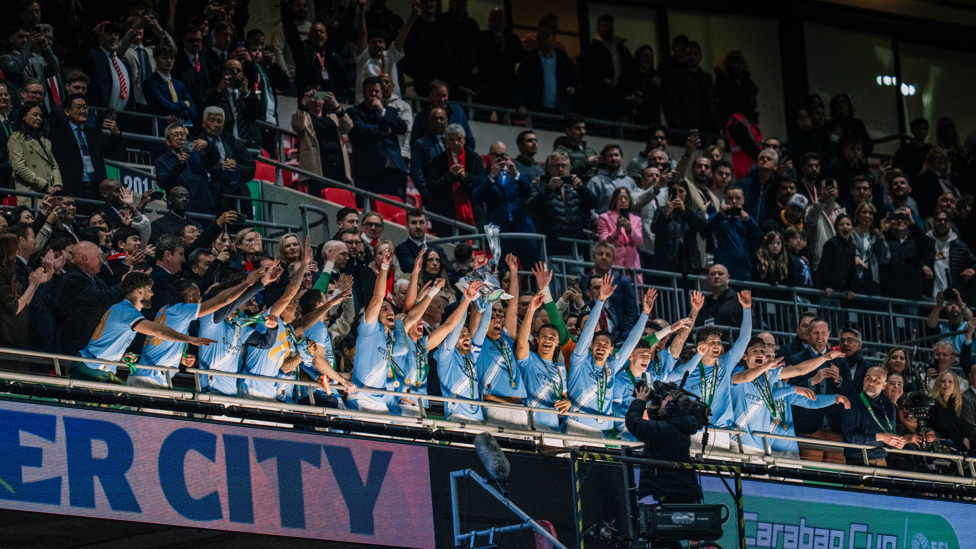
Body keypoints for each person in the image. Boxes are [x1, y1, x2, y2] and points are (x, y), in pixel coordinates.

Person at [567, 281, 681, 438]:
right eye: (597, 343)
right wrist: (600, 301)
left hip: (601, 432)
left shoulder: (612, 366)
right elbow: (587, 331)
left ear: (611, 350)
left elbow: (633, 342)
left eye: (605, 344)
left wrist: (645, 314)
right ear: (591, 346)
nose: (601, 346)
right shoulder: (579, 361)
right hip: (577, 425)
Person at [128, 266, 270, 388]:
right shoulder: (182, 311)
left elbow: (165, 342)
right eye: (198, 295)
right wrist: (248, 283)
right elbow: (222, 301)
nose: (201, 299)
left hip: (147, 375)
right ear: (189, 295)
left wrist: (179, 358)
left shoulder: (166, 310)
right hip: (151, 379)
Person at [69, 272, 216, 383]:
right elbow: (156, 330)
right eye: (149, 289)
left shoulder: (120, 308)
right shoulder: (127, 311)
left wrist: (119, 356)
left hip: (94, 365)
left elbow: (105, 341)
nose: (152, 293)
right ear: (139, 291)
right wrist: (190, 339)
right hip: (92, 367)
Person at [731, 336, 850, 456]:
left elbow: (800, 370)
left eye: (764, 353)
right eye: (756, 352)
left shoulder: (774, 380)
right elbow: (767, 394)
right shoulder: (738, 372)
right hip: (742, 441)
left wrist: (824, 358)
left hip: (767, 446)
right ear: (744, 355)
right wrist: (792, 389)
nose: (770, 359)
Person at [667, 291, 752, 451]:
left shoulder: (725, 364)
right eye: (712, 342)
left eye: (719, 342)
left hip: (720, 432)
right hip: (691, 429)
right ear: (701, 344)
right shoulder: (689, 367)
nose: (717, 345)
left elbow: (744, 340)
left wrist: (747, 310)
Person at [787, 317, 856, 464]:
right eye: (816, 332)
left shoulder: (840, 360)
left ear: (829, 333)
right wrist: (812, 381)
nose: (820, 337)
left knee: (837, 480)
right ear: (809, 333)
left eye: (823, 332)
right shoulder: (796, 359)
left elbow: (851, 393)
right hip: (808, 429)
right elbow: (790, 389)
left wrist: (839, 380)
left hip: (835, 429)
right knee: (811, 478)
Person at [627, 383, 703, 503]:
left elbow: (633, 422)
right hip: (677, 493)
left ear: (671, 408)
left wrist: (640, 401)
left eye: (664, 402)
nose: (661, 402)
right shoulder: (680, 426)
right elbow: (662, 425)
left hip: (667, 495)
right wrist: (653, 411)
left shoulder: (665, 430)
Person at [475, 254, 524, 428]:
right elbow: (477, 310)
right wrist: (478, 274)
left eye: (499, 314)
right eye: (492, 314)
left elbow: (513, 305)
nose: (497, 317)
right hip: (494, 407)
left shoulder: (506, 337)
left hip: (519, 408)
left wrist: (513, 270)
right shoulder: (478, 341)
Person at [471, 143, 538, 266]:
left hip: (522, 227)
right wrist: (491, 177)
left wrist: (516, 175)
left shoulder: (518, 174)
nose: (499, 158)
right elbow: (476, 198)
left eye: (503, 154)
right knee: (504, 270)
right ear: (489, 156)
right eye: (496, 155)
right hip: (499, 230)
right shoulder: (483, 178)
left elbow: (529, 192)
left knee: (533, 268)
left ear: (508, 156)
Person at [49, 94, 122, 202]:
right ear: (67, 111)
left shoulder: (95, 133)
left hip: (96, 189)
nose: (83, 111)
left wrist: (115, 135)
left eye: (85, 107)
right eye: (78, 108)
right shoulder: (57, 134)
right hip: (71, 189)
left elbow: (113, 154)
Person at [0, 230, 54, 371]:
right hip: (6, 340)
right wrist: (32, 285)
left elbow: (25, 304)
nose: (18, 250)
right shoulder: (1, 272)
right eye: (15, 247)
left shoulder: (9, 271)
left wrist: (37, 283)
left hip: (19, 338)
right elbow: (14, 307)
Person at [347, 75, 409, 199]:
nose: (374, 94)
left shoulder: (389, 111)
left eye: (377, 91)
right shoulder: (354, 112)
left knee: (396, 210)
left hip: (394, 170)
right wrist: (386, 128)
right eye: (370, 91)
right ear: (364, 93)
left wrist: (382, 111)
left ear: (381, 93)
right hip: (368, 172)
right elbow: (362, 130)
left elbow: (402, 128)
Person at [527, 150, 597, 258]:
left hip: (576, 247)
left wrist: (582, 189)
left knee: (576, 275)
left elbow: (593, 204)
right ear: (549, 168)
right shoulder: (540, 185)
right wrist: (548, 189)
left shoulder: (576, 185)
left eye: (564, 166)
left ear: (569, 168)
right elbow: (531, 208)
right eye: (556, 166)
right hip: (551, 248)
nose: (560, 169)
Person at [193, 106, 257, 219]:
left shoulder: (235, 143)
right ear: (203, 123)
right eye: (211, 121)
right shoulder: (195, 143)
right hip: (211, 195)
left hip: (237, 194)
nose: (216, 124)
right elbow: (195, 173)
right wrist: (220, 168)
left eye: (219, 121)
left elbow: (251, 169)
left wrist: (236, 167)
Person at [279, 0, 348, 101]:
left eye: (321, 32)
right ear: (309, 36)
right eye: (315, 32)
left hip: (332, 99)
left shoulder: (332, 51)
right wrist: (285, 7)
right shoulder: (303, 52)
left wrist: (353, 7)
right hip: (311, 100)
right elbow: (291, 32)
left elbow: (344, 31)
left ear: (326, 36)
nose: (319, 34)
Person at [353, 0, 417, 104]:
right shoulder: (364, 58)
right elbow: (362, 35)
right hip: (366, 107)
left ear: (385, 45)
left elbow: (403, 35)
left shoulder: (391, 56)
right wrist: (361, 10)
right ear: (368, 45)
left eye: (380, 42)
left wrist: (413, 14)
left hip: (391, 105)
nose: (378, 45)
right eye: (374, 42)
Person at [292, 85, 353, 193]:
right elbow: (297, 125)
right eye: (313, 98)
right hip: (316, 169)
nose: (317, 101)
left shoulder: (333, 117)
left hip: (338, 168)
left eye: (319, 98)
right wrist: (304, 101)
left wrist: (336, 105)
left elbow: (348, 126)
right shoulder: (303, 117)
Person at [425, 123, 483, 235]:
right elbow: (433, 188)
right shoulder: (437, 161)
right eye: (451, 139)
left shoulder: (474, 158)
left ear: (464, 140)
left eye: (458, 139)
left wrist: (464, 177)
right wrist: (450, 176)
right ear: (446, 141)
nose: (456, 142)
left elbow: (481, 185)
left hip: (473, 213)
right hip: (447, 214)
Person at [841, 366, 902, 466]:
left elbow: (891, 438)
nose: (871, 383)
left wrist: (899, 441)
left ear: (884, 386)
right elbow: (850, 436)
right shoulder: (850, 403)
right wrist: (881, 437)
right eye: (868, 378)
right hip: (857, 461)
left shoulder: (889, 406)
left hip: (881, 461)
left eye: (876, 381)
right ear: (864, 379)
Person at [576, 14, 632, 120]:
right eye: (604, 26)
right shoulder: (591, 50)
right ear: (598, 28)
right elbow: (581, 72)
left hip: (618, 97)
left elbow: (630, 69)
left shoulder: (621, 49)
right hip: (599, 98)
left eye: (610, 26)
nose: (608, 29)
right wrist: (601, 80)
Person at [514, 26, 578, 116]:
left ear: (553, 39)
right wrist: (519, 104)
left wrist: (573, 87)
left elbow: (575, 79)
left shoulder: (564, 60)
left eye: (547, 36)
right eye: (541, 36)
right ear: (537, 40)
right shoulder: (529, 61)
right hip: (536, 109)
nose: (544, 39)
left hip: (560, 109)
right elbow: (519, 84)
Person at [155, 124, 215, 217]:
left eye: (182, 134)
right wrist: (179, 165)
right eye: (175, 135)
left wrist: (208, 145)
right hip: (180, 210)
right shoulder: (161, 161)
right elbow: (163, 182)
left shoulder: (197, 154)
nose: (180, 137)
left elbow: (214, 160)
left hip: (205, 206)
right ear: (168, 141)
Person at [8, 102, 61, 205]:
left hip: (49, 193)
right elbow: (19, 168)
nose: (39, 118)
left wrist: (57, 185)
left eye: (41, 116)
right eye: (35, 115)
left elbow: (54, 166)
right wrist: (44, 186)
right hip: (29, 191)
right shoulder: (17, 138)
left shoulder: (46, 142)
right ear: (23, 117)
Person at [706, 185, 763, 281]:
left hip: (744, 271)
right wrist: (720, 216)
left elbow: (759, 238)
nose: (734, 201)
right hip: (722, 271)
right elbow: (705, 232)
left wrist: (747, 221)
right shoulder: (717, 217)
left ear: (743, 200)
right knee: (723, 295)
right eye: (730, 198)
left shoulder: (748, 219)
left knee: (744, 296)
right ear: (725, 199)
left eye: (737, 198)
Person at [652, 181, 705, 275]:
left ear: (687, 194)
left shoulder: (694, 211)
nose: (678, 194)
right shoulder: (661, 210)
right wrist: (666, 214)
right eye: (674, 191)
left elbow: (700, 226)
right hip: (665, 263)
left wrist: (685, 211)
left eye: (681, 191)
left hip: (689, 264)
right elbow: (655, 229)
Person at [665, 41, 720, 133]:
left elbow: (713, 101)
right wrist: (679, 124)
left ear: (700, 56)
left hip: (708, 124)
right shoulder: (678, 77)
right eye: (689, 54)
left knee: (708, 145)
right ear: (685, 57)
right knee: (694, 146)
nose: (692, 57)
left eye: (695, 54)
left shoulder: (706, 78)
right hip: (691, 125)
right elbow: (673, 102)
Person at [880, 207, 931, 301]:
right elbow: (878, 255)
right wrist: (882, 231)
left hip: (912, 295)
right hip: (889, 295)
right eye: (896, 217)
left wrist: (912, 225)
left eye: (903, 217)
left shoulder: (915, 240)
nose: (899, 220)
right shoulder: (885, 239)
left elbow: (927, 249)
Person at [925, 208, 976, 303]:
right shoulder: (925, 243)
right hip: (929, 299)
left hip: (953, 302)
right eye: (939, 220)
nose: (942, 222)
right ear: (934, 222)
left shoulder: (961, 247)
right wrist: (923, 266)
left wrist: (972, 270)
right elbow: (913, 261)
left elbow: (974, 263)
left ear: (951, 224)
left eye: (946, 220)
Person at [410, 80, 475, 150]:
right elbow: (414, 143)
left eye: (444, 95)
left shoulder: (457, 112)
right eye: (438, 96)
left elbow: (469, 141)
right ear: (431, 97)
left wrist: (465, 157)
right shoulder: (421, 116)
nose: (442, 99)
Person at [142, 44, 197, 123]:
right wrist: (184, 104)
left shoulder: (179, 84)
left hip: (182, 128)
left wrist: (177, 115)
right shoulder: (151, 83)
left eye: (172, 58)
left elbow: (194, 110)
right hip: (161, 129)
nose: (169, 60)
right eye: (165, 57)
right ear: (156, 59)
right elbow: (164, 107)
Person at [597, 187, 642, 279]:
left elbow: (639, 242)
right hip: (612, 264)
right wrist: (617, 230)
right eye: (620, 198)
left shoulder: (636, 219)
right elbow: (603, 242)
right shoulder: (604, 217)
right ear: (615, 200)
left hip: (632, 266)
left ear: (629, 201)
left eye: (626, 198)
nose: (623, 200)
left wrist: (630, 230)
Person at [587, 143, 636, 219]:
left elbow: (634, 206)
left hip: (625, 226)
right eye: (610, 156)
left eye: (616, 155)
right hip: (603, 227)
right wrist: (600, 222)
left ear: (621, 158)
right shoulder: (595, 182)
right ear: (603, 160)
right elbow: (589, 208)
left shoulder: (630, 182)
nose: (614, 158)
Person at [618, 44, 662, 125]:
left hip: (649, 119)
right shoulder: (628, 74)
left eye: (650, 57)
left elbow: (657, 100)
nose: (648, 59)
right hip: (631, 117)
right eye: (645, 56)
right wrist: (628, 98)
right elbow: (618, 93)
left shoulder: (655, 77)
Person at [928, 370, 969, 452]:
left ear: (955, 386)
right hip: (941, 446)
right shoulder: (931, 403)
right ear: (938, 385)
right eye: (943, 381)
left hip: (956, 446)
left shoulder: (958, 406)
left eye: (950, 382)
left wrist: (965, 438)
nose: (946, 384)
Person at [714, 50, 758, 126]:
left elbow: (753, 91)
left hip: (746, 115)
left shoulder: (744, 77)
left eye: (737, 58)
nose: (734, 61)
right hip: (730, 115)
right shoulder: (723, 77)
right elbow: (723, 97)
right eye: (732, 58)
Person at [554, 113, 599, 179]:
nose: (582, 132)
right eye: (578, 128)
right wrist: (587, 163)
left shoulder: (589, 150)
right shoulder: (561, 150)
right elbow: (563, 171)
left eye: (583, 128)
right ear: (568, 130)